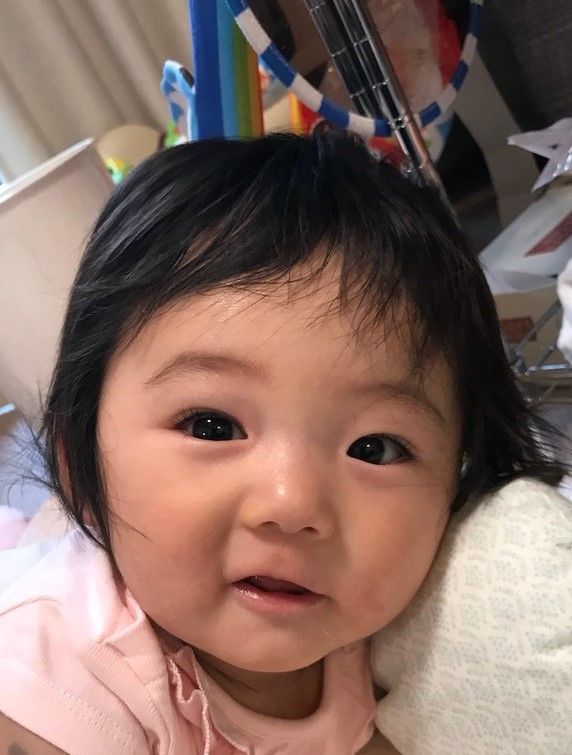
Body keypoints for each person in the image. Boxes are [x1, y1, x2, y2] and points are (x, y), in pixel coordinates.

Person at [0, 131, 565, 754]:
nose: (292, 504)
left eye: (374, 448)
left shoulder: (373, 641)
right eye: (212, 426)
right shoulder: (56, 684)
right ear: (79, 469)